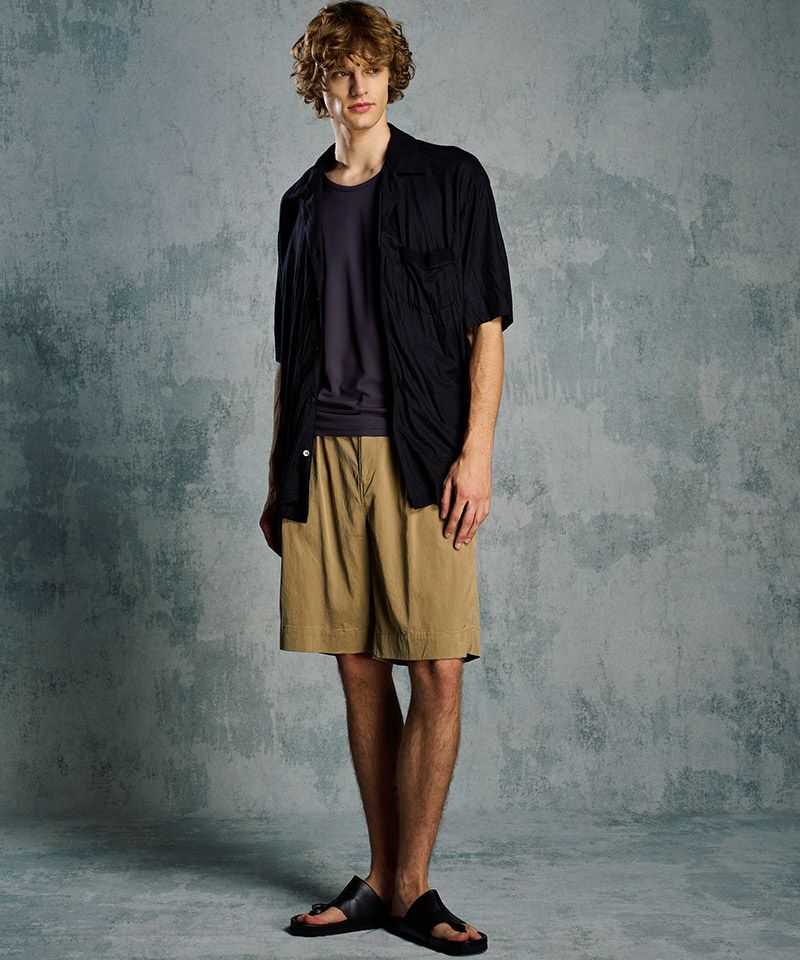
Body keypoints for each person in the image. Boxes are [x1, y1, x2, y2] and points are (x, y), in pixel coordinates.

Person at [259, 2, 512, 954]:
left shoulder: (452, 178)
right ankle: (380, 880)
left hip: (421, 456)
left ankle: (414, 886)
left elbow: (486, 325)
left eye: (371, 66)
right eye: (340, 69)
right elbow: (290, 355)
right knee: (360, 670)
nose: (358, 84)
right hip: (322, 457)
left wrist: (476, 453)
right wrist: (275, 478)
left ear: (391, 76)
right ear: (318, 85)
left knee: (436, 669)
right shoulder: (301, 204)